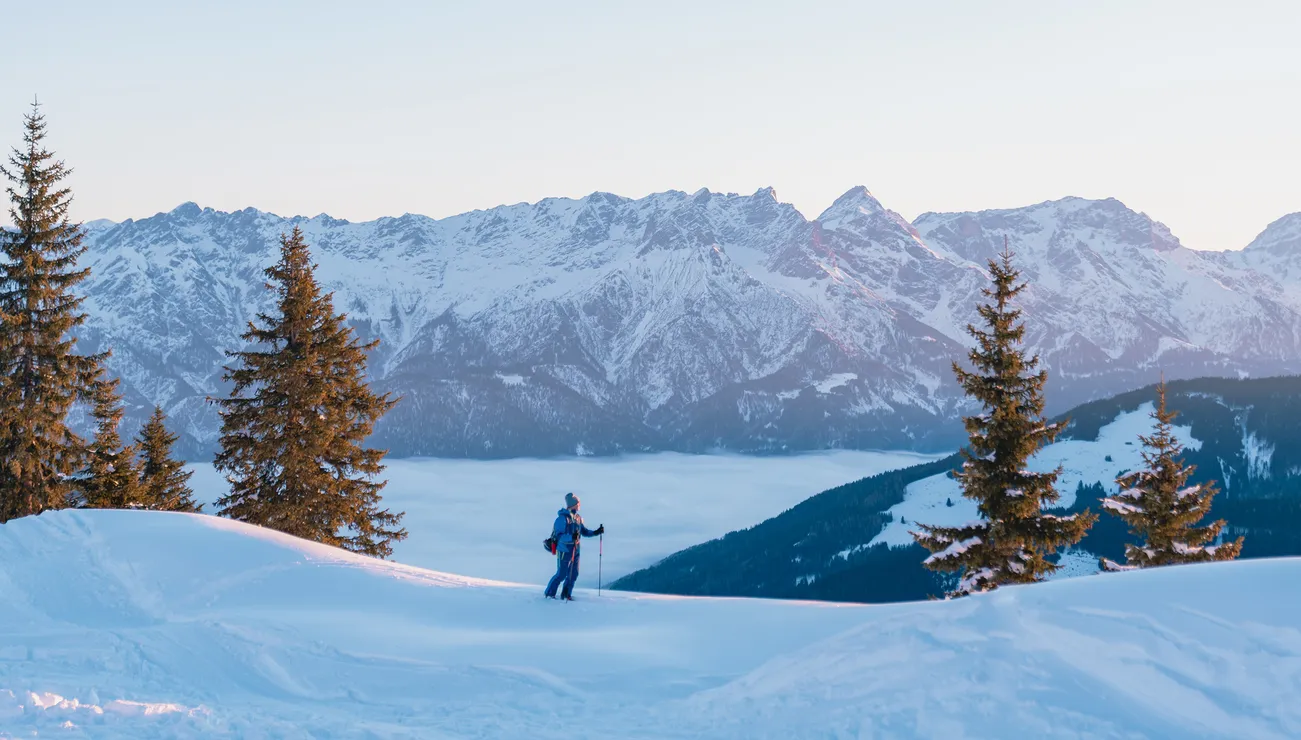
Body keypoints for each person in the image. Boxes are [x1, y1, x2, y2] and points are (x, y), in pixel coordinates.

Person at [545, 492, 604, 601]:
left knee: (573, 574)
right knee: (561, 574)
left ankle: (566, 594)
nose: (580, 505)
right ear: (574, 504)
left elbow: (584, 532)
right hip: (564, 550)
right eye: (578, 503)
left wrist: (596, 532)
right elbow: (559, 536)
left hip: (576, 550)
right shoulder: (562, 519)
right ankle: (549, 594)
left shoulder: (578, 518)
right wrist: (571, 537)